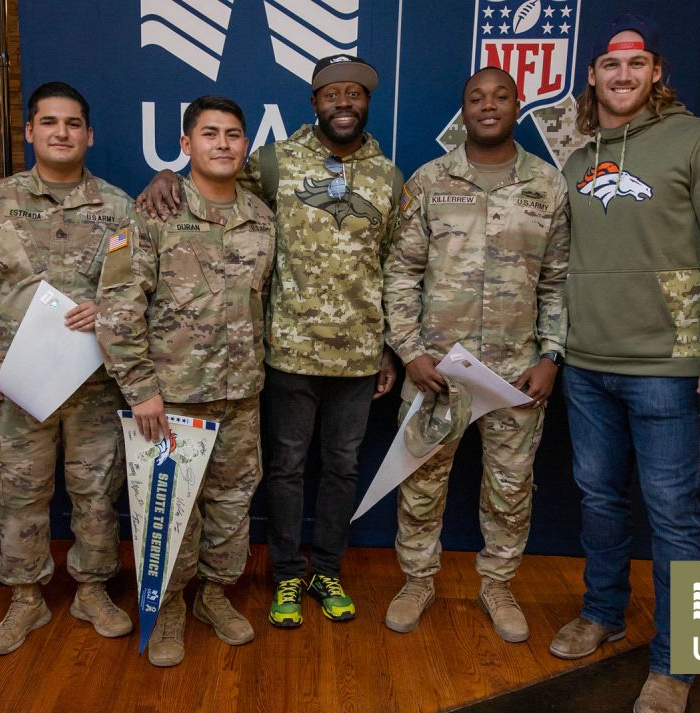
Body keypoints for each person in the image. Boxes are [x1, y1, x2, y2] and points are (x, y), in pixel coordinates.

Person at [548, 15, 700, 713]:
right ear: (593, 77)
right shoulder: (578, 161)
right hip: (587, 363)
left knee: (674, 516)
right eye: (610, 67)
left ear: (656, 74)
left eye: (636, 66)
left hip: (670, 364)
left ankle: (678, 660)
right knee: (600, 500)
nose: (623, 76)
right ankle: (604, 611)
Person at [139, 55, 399, 629]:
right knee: (283, 469)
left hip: (358, 356)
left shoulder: (390, 176)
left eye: (355, 93)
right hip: (284, 352)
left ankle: (326, 568)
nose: (344, 102)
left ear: (367, 102)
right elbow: (214, 184)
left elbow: (391, 265)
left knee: (341, 468)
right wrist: (166, 178)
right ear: (314, 102)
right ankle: (284, 573)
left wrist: (388, 344)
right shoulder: (274, 162)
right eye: (332, 94)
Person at [381, 67, 569, 642]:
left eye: (500, 96)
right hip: (437, 371)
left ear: (518, 105)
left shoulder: (548, 186)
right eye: (476, 98)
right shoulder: (431, 180)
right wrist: (409, 352)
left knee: (510, 489)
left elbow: (558, 281)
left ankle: (499, 584)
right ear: (462, 111)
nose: (488, 106)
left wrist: (551, 354)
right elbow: (401, 271)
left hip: (516, 372)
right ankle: (417, 580)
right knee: (421, 484)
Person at [0, 81, 135, 656]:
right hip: (16, 383)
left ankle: (92, 589)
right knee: (17, 493)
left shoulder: (119, 207)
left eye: (73, 123)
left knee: (97, 491)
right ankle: (26, 598)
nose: (62, 132)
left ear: (89, 134)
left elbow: (137, 288)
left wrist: (107, 307)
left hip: (94, 383)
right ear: (30, 132)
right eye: (49, 122)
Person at [96, 96, 275, 667]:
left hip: (241, 392)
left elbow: (263, 302)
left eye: (233, 134)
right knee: (169, 507)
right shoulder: (152, 215)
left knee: (233, 500)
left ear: (245, 145)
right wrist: (141, 388)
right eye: (209, 133)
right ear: (186, 144)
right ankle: (171, 602)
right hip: (170, 396)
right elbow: (118, 306)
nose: (222, 143)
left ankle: (214, 595)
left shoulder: (262, 219)